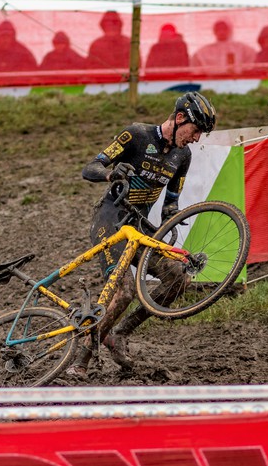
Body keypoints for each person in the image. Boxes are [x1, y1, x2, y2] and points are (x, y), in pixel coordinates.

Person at [72, 91, 217, 376]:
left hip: (138, 228)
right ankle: (81, 361)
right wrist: (110, 175)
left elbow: (171, 203)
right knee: (124, 290)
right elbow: (90, 168)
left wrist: (172, 221)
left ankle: (120, 334)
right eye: (195, 130)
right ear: (178, 119)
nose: (196, 138)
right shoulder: (135, 135)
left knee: (178, 278)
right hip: (110, 221)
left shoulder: (182, 156)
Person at [190, 20, 256, 68]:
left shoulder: (242, 48)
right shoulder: (205, 51)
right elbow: (196, 64)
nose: (221, 32)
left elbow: (252, 61)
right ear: (214, 31)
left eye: (224, 29)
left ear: (229, 30)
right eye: (218, 29)